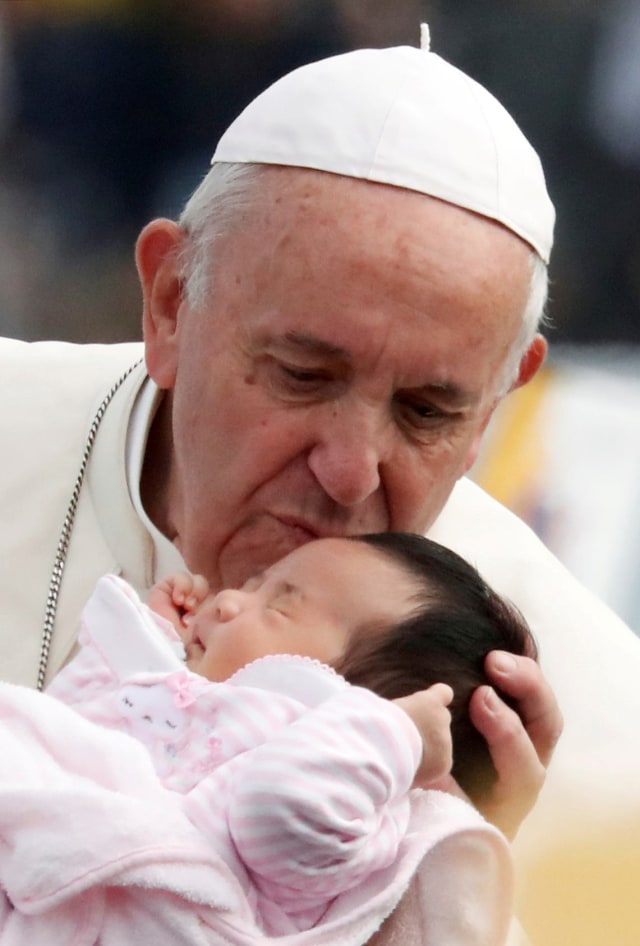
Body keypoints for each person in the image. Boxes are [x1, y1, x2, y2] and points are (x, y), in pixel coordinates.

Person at [0, 24, 639, 945]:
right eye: (303, 375)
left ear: (500, 402)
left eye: (427, 411)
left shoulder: (582, 726)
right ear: (172, 301)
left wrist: (444, 887)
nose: (349, 469)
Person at [1, 531, 532, 943]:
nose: (229, 599)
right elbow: (67, 728)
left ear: (357, 707)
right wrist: (150, 645)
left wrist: (396, 737)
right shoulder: (205, 710)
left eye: (279, 606)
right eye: (254, 584)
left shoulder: (341, 811)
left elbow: (282, 806)